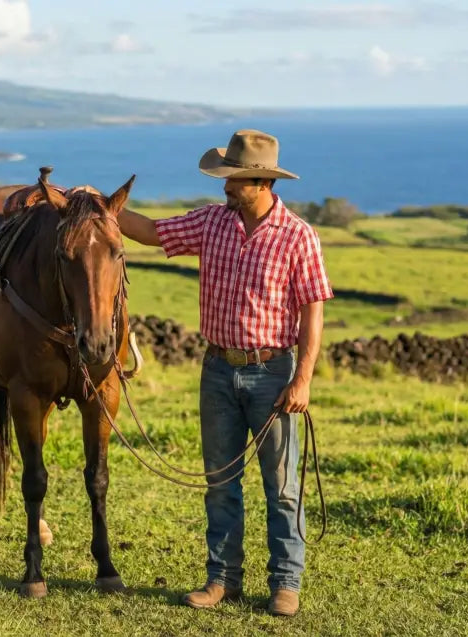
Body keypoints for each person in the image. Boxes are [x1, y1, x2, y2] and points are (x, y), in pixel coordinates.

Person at [115, 129, 332, 617]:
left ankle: (285, 583)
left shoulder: (298, 236)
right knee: (219, 481)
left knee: (281, 487)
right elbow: (153, 231)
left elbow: (312, 309)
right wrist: (102, 206)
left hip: (273, 372)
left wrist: (303, 379)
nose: (225, 188)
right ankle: (223, 579)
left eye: (233, 181)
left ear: (260, 181)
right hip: (217, 369)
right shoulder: (213, 223)